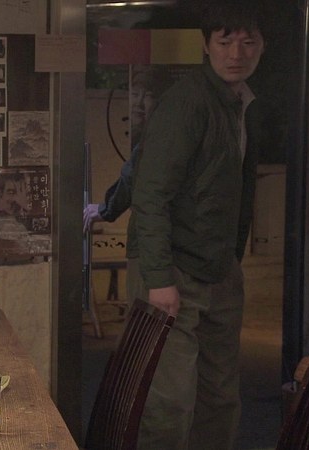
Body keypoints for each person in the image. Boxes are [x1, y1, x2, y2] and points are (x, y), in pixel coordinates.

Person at [126, 3, 266, 449]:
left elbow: (239, 188)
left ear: (262, 46)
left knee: (219, 396)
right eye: (225, 42)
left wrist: (232, 258)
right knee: (167, 402)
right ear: (206, 46)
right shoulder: (188, 101)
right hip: (173, 268)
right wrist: (159, 278)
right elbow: (150, 193)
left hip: (218, 267)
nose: (236, 53)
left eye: (247, 42)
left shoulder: (242, 103)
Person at [83, 65, 174, 232]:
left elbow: (133, 173)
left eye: (148, 96)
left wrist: (107, 208)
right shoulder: (153, 132)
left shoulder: (161, 135)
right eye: (134, 94)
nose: (138, 103)